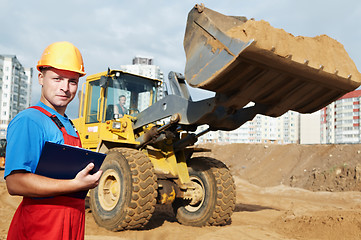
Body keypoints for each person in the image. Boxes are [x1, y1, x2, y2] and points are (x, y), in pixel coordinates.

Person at [4, 41, 102, 240]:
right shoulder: (29, 120)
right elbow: (14, 183)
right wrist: (75, 184)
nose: (65, 88)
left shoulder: (69, 124)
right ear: (41, 78)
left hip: (72, 220)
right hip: (42, 226)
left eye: (72, 81)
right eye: (57, 79)